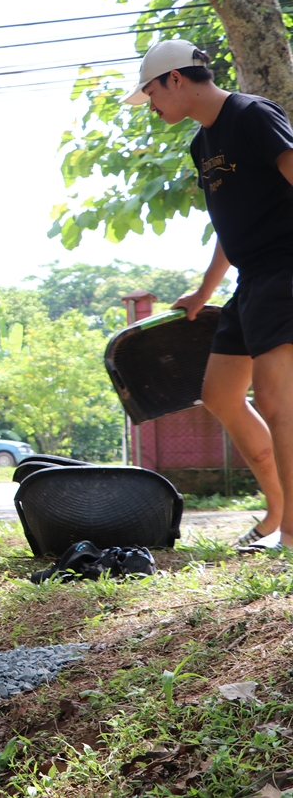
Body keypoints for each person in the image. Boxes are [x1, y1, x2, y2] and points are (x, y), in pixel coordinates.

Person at [126, 39, 293, 549]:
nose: (150, 105)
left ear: (176, 79)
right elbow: (232, 218)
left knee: (275, 398)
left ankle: (291, 534)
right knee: (220, 395)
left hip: (285, 269)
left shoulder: (250, 114)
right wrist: (204, 290)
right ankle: (278, 510)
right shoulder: (202, 143)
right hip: (251, 281)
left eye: (150, 93)